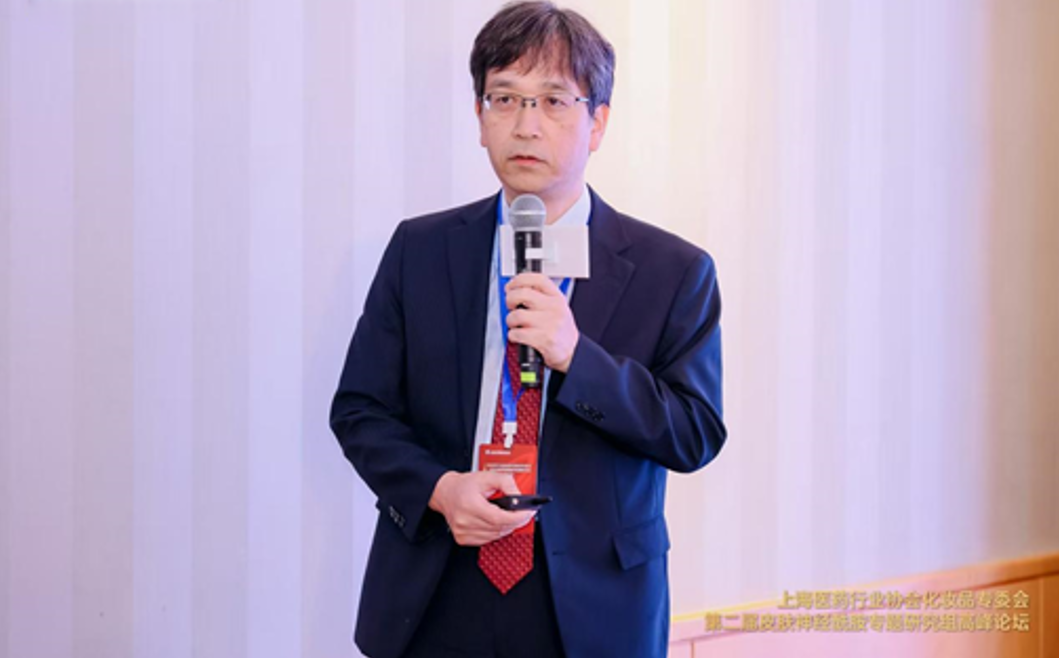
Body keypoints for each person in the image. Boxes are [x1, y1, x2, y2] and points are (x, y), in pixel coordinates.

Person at [331, 2, 726, 656]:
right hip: (437, 580)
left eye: (553, 101)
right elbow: (360, 410)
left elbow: (694, 433)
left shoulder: (673, 271)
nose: (525, 124)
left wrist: (576, 356)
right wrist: (440, 490)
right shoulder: (420, 250)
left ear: (598, 123)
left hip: (590, 604)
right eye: (505, 98)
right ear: (479, 116)